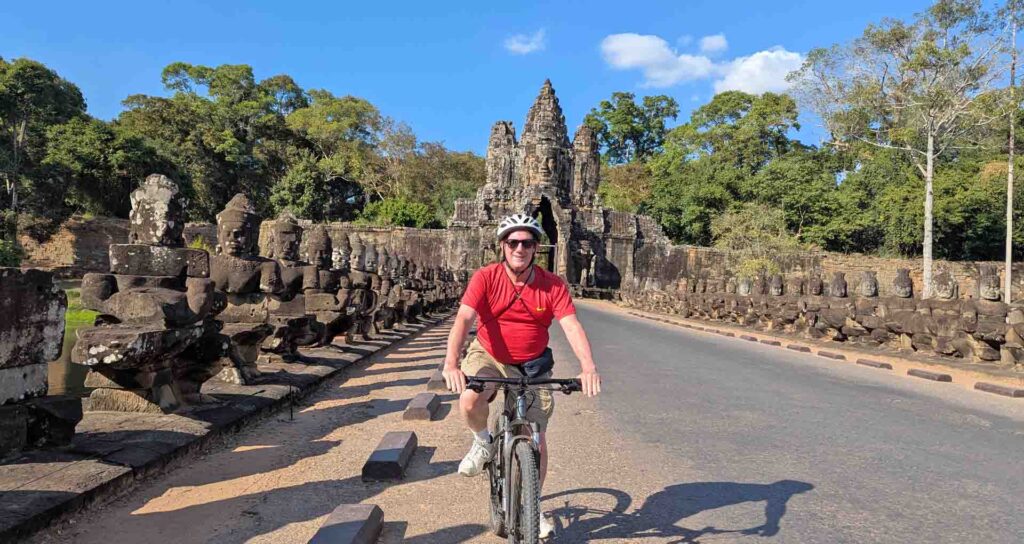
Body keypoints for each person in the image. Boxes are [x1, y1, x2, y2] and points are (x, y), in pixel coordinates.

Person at [443, 213, 602, 539]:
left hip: (533, 364)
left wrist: (588, 368)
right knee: (471, 398)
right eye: (513, 242)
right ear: (503, 246)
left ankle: (534, 505)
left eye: (526, 243)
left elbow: (571, 325)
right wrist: (451, 363)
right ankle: (483, 442)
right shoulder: (486, 278)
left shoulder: (552, 285)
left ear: (535, 248)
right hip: (489, 356)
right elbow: (464, 319)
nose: (519, 248)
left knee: (536, 440)